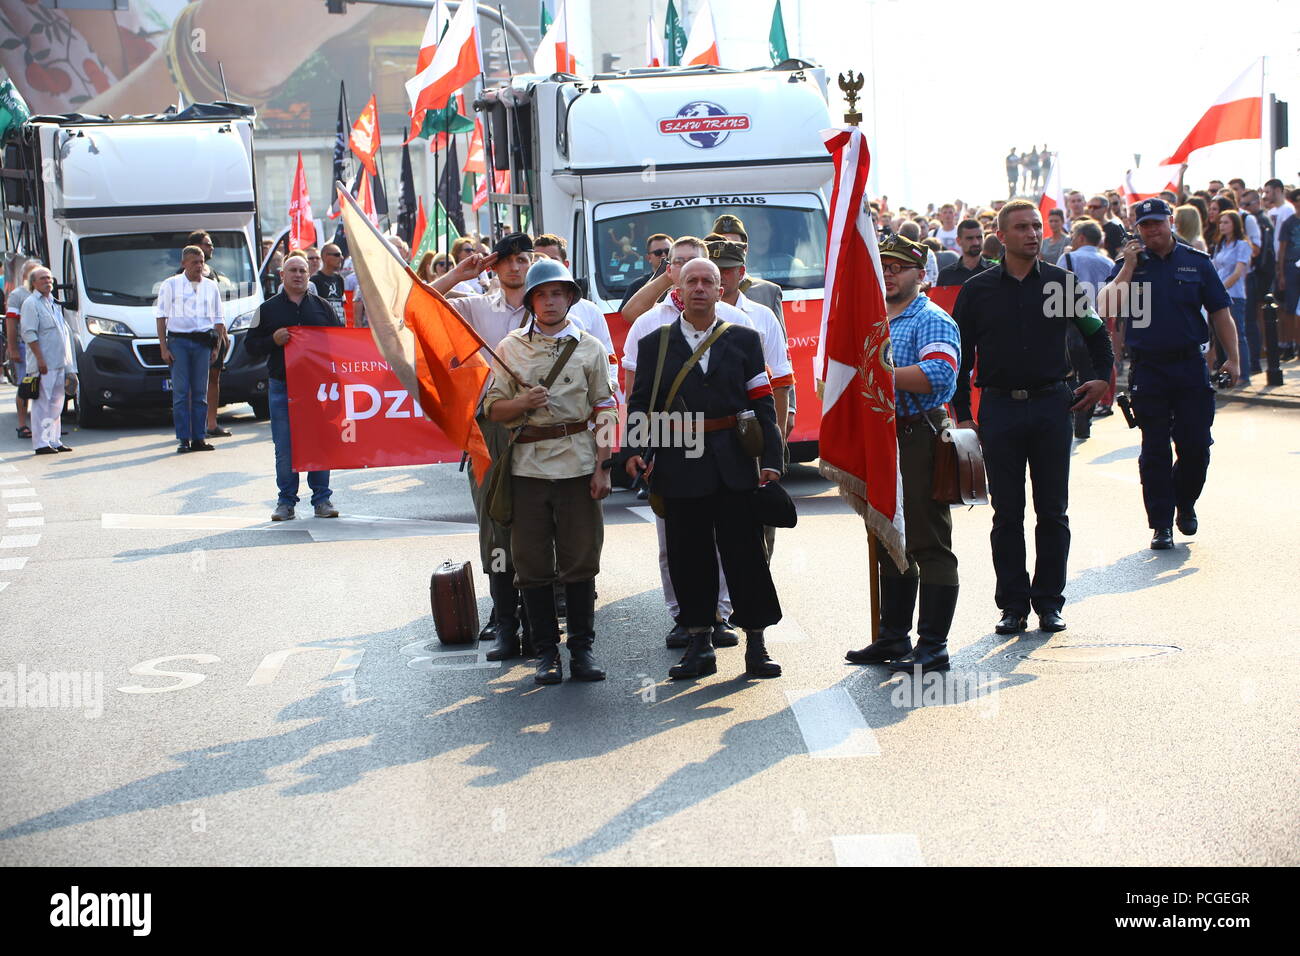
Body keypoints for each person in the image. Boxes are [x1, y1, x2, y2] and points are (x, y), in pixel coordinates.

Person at [952, 200, 1113, 634]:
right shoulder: (978, 290)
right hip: (1000, 409)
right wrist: (963, 415)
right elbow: (959, 358)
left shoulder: (1063, 284)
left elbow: (1098, 337)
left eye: (1037, 227)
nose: (1032, 234)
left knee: (1053, 511)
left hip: (1051, 405)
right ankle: (1012, 605)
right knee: (1006, 514)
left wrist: (1100, 379)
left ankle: (1049, 602)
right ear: (1000, 237)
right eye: (1022, 227)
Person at [621, 236, 789, 648]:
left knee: (745, 556)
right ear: (677, 289)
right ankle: (697, 642)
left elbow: (761, 400)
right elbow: (640, 403)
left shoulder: (745, 339)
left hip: (734, 462)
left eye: (706, 282)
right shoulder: (653, 344)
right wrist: (633, 453)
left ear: (720, 290)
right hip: (679, 466)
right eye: (690, 281)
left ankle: (756, 644)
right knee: (687, 556)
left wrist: (771, 455)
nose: (698, 288)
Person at [481, 260, 618, 684]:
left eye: (558, 293)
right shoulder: (509, 348)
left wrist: (604, 467)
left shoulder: (591, 348)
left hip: (578, 466)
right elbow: (492, 409)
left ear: (571, 298)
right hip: (527, 469)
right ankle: (545, 654)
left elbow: (606, 410)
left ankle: (581, 650)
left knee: (581, 560)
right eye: (542, 294)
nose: (550, 301)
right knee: (533, 565)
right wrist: (522, 404)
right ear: (531, 301)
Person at [843, 236, 961, 673]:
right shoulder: (874, 319)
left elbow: (939, 373)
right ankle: (893, 637)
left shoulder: (929, 318)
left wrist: (877, 375)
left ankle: (933, 645)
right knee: (888, 537)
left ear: (921, 274)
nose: (889, 273)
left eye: (899, 267)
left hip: (918, 435)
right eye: (884, 266)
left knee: (928, 543)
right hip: (883, 436)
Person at [1097, 198, 1239, 550]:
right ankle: (1161, 524)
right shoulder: (1128, 265)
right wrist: (1128, 266)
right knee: (1154, 450)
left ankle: (1184, 501)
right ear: (1137, 228)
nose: (1152, 230)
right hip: (1149, 368)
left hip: (1190, 365)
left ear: (1171, 221)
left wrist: (1233, 359)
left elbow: (1220, 312)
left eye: (1158, 223)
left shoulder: (1196, 262)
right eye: (1145, 225)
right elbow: (1106, 308)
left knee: (1196, 447)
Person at [431, 233, 536, 657]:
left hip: (540, 422)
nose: (514, 267)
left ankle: (537, 618)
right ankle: (504, 615)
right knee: (495, 526)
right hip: (489, 425)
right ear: (494, 266)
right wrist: (459, 273)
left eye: (523, 259)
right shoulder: (475, 306)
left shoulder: (551, 304)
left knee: (537, 522)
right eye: (506, 260)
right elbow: (414, 308)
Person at [244, 254, 342, 520]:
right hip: (282, 386)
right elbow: (249, 347)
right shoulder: (266, 310)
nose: (298, 275)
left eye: (302, 271)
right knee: (285, 446)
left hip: (317, 387)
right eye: (293, 271)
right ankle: (286, 502)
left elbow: (341, 343)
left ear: (308, 275)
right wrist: (272, 341)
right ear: (282, 276)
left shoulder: (324, 308)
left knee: (319, 442)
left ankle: (322, 499)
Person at [156, 245, 223, 454]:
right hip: (179, 343)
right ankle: (184, 438)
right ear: (183, 263)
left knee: (200, 392)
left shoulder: (211, 286)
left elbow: (219, 320)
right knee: (182, 392)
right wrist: (163, 347)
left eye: (202, 261)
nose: (199, 266)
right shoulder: (170, 285)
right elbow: (161, 317)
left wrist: (216, 347)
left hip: (203, 343)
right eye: (194, 262)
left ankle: (199, 437)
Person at [531, 234, 618, 380]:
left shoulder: (590, 311)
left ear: (565, 265)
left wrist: (604, 396)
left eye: (552, 260)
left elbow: (609, 360)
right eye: (538, 261)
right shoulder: (523, 311)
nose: (546, 266)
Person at [179, 230, 234, 439]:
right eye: (207, 244)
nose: (212, 248)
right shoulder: (182, 276)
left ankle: (212, 423)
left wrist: (223, 333)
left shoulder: (211, 273)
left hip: (214, 334)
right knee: (195, 382)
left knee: (214, 377)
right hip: (196, 336)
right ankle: (196, 425)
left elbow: (216, 307)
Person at [19, 267, 75, 455]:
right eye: (43, 278)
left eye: (49, 278)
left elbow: (63, 334)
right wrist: (40, 360)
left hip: (59, 361)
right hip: (44, 363)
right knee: (42, 403)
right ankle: (41, 443)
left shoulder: (53, 302)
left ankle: (54, 439)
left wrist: (70, 366)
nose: (47, 282)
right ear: (34, 283)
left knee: (57, 403)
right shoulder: (31, 303)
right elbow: (29, 334)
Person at [711, 214, 785, 322]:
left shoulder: (769, 292)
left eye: (733, 245)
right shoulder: (702, 292)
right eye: (721, 244)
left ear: (745, 249)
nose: (726, 250)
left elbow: (777, 337)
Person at [1209, 210, 1253, 385]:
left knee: (1237, 334)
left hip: (1234, 294)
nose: (1222, 226)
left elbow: (1237, 272)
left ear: (1235, 224)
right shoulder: (1220, 244)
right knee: (1220, 336)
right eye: (1221, 222)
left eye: (1226, 222)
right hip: (1219, 294)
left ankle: (1244, 374)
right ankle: (1224, 372)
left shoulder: (1242, 245)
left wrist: (1220, 289)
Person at [4, 258, 41, 440]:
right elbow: (11, 322)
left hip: (43, 347)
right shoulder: (17, 295)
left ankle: (43, 426)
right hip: (23, 345)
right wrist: (13, 348)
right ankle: (22, 425)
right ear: (25, 276)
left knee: (43, 388)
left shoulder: (45, 295)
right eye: (33, 274)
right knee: (25, 387)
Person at [1263, 179, 1297, 358]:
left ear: (1277, 190)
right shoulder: (1272, 211)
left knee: (1289, 306)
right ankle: (1285, 343)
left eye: (1268, 192)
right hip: (1277, 263)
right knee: (1281, 306)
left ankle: (1290, 345)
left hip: (1289, 263)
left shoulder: (1289, 210)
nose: (1265, 196)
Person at [618, 233, 673, 313]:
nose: (664, 255)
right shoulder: (636, 286)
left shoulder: (686, 282)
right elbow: (622, 318)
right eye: (658, 252)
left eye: (668, 251)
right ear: (648, 258)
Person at [1276, 188, 1300, 364]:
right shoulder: (1289, 222)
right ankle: (1292, 345)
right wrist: (1282, 274)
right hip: (1291, 267)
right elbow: (1282, 250)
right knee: (1290, 309)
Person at [935, 219, 995, 287]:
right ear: (958, 241)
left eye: (979, 237)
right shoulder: (946, 275)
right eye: (970, 238)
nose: (976, 242)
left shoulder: (995, 271)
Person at [309, 243, 347, 325]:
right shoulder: (315, 280)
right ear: (325, 257)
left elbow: (342, 305)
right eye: (337, 255)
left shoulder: (339, 279)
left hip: (340, 331)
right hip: (325, 331)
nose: (341, 258)